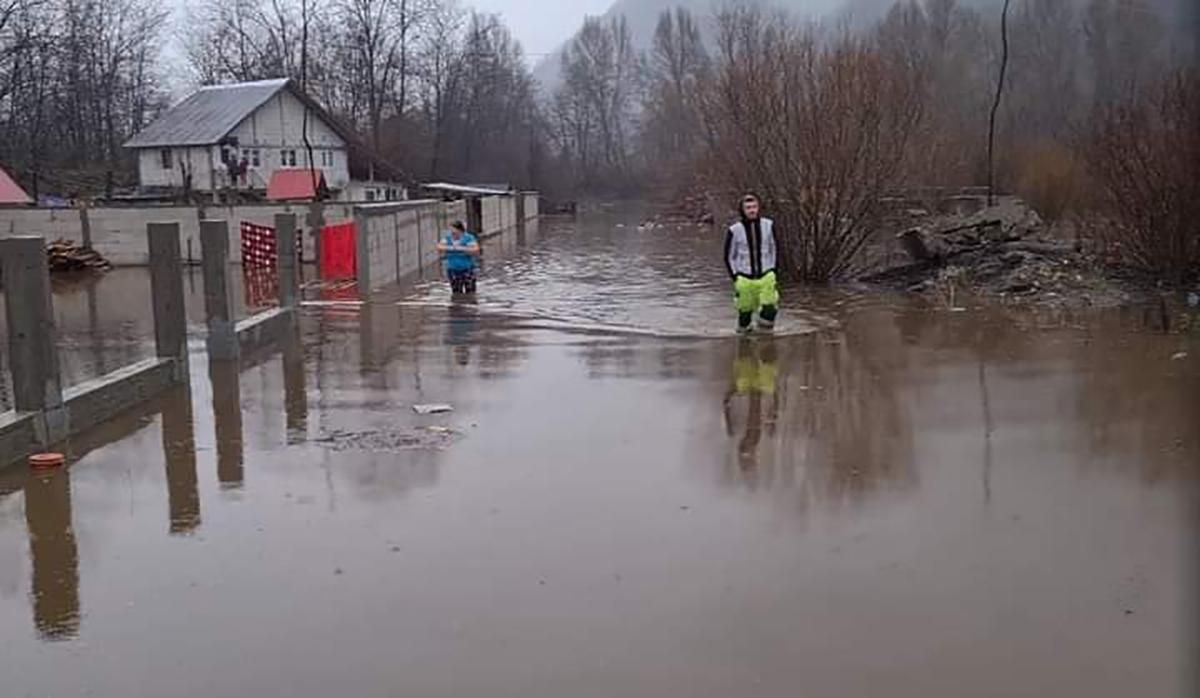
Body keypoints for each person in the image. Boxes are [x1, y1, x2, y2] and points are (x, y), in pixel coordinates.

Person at [724, 193, 779, 333]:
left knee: (770, 308)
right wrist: (735, 276)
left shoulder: (768, 225)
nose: (752, 210)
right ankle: (744, 343)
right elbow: (729, 256)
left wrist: (774, 269)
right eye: (748, 208)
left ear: (759, 207)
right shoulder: (734, 230)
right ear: (742, 210)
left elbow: (775, 248)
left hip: (766, 273)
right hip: (744, 277)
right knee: (745, 314)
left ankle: (765, 341)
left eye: (754, 207)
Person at [437, 220, 480, 294]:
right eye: (450, 230)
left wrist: (460, 248)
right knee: (456, 292)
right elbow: (439, 247)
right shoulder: (448, 238)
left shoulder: (468, 238)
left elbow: (475, 249)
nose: (451, 232)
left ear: (460, 230)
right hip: (453, 269)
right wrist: (454, 248)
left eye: (453, 230)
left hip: (467, 269)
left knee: (470, 291)